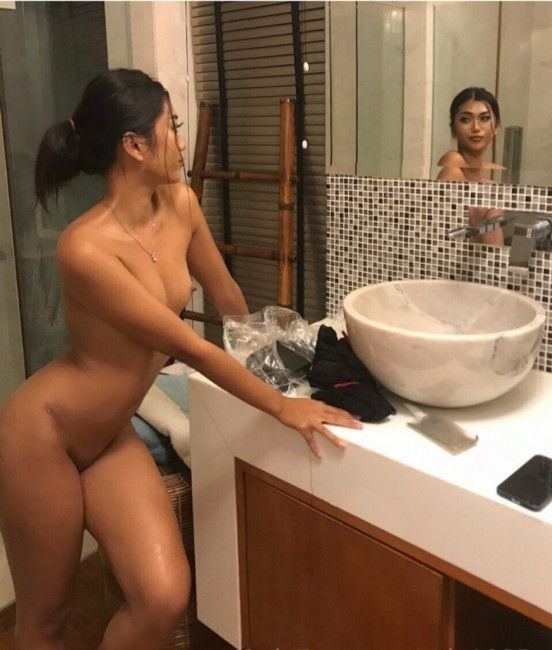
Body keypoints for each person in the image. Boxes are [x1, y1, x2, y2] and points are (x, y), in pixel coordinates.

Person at [0, 69, 361, 650]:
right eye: (172, 126)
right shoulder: (83, 248)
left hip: (109, 434)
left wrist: (278, 371)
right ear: (134, 145)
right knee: (47, 618)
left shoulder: (181, 205)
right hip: (44, 439)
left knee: (164, 597)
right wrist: (280, 409)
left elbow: (228, 300)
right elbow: (191, 345)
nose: (181, 139)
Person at [437, 86, 504, 245]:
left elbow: (494, 252)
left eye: (484, 118)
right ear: (453, 128)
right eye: (465, 120)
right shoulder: (452, 171)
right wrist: (492, 213)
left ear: (496, 127)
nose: (476, 128)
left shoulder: (488, 186)